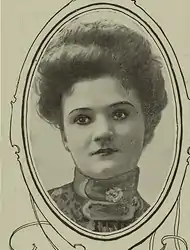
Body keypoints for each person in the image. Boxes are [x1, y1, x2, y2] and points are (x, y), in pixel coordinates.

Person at [35, 20, 168, 232]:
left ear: (148, 123)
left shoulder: (165, 229)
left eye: (120, 114)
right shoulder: (37, 217)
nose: (103, 132)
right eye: (82, 119)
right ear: (64, 136)